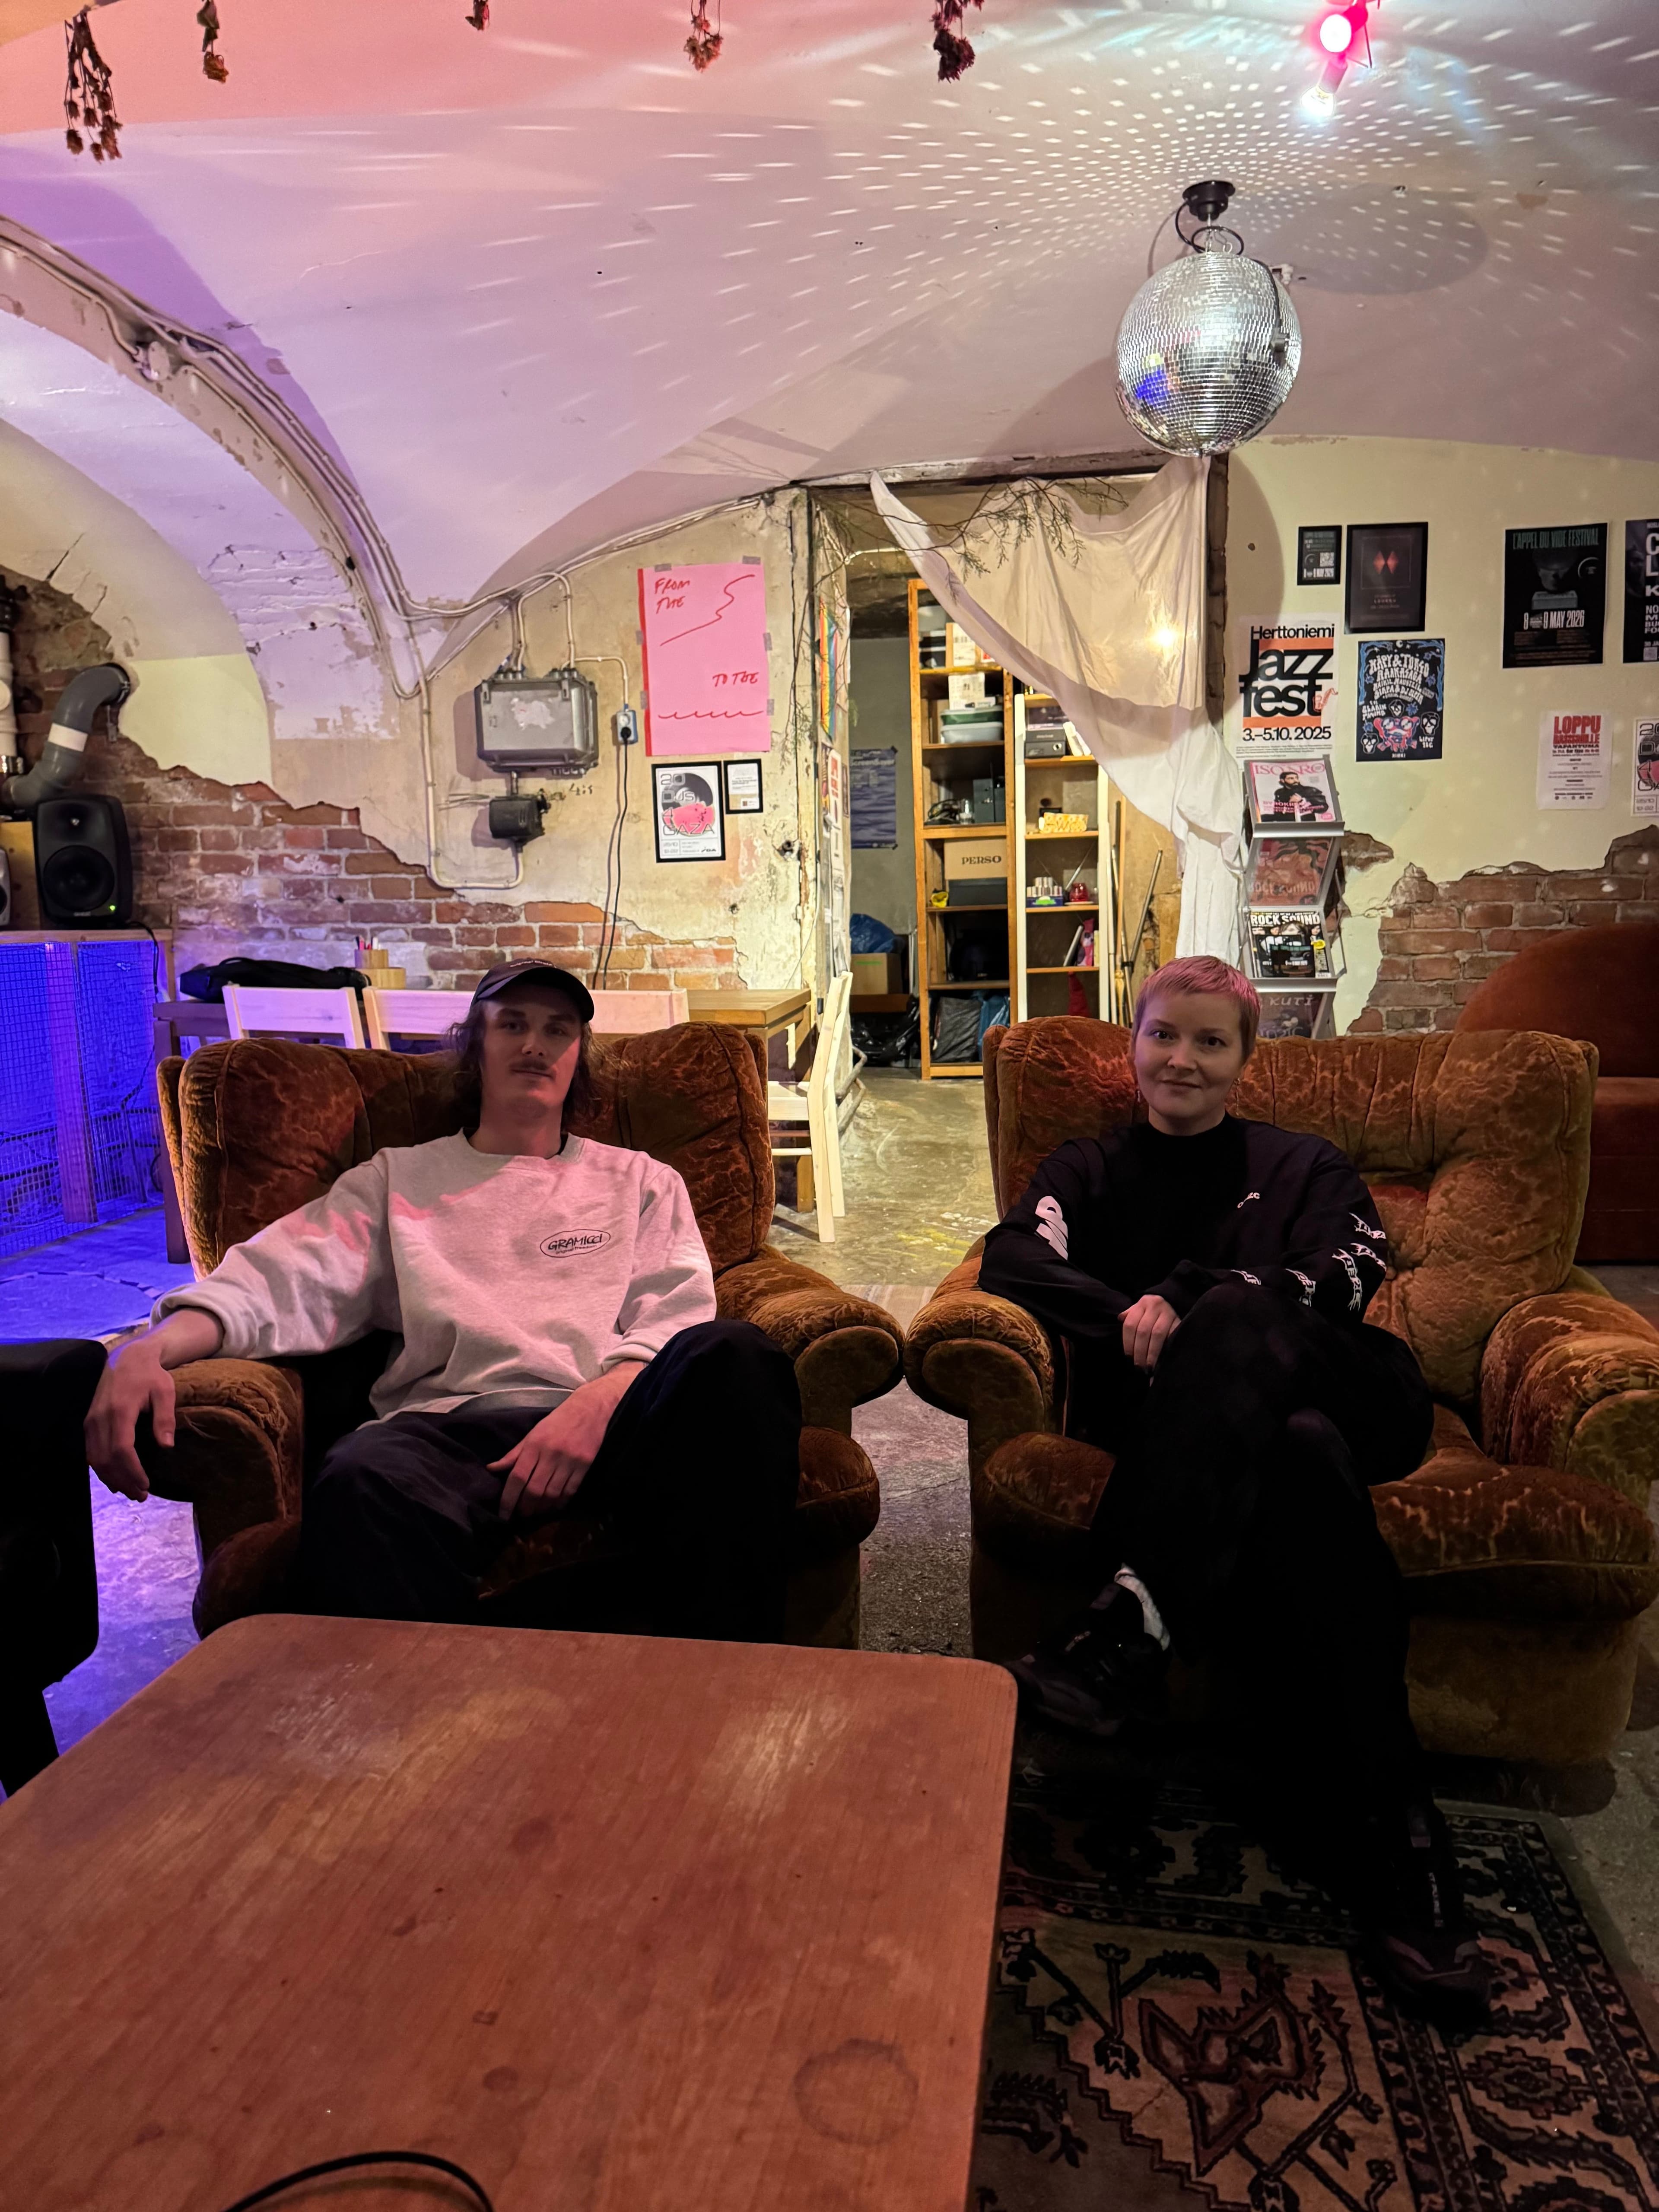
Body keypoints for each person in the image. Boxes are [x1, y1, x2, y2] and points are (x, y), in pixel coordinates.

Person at [978, 955, 1488, 2021]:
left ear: (1245, 1060)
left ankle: (1126, 1628)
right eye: (1165, 1034)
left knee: (1247, 1322)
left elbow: (1352, 1270)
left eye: (1212, 1041)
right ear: (1134, 1044)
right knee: (1295, 1453)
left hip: (1358, 1392)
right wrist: (1146, 1324)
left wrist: (1199, 1298)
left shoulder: (1301, 1161)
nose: (1184, 1059)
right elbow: (1013, 1261)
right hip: (1226, 1428)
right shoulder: (1089, 1167)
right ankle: (1400, 1831)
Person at [85, 960, 801, 1641]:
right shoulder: (398, 1180)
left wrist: (599, 1403)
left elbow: (677, 1311)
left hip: (616, 1426)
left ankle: (723, 1686)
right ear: (475, 1048)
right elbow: (280, 1279)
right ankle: (440, 1715)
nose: (535, 1044)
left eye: (557, 1030)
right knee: (361, 1477)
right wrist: (149, 1349)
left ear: (578, 1058)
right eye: (512, 1024)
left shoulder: (641, 1180)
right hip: (453, 1435)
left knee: (736, 1354)